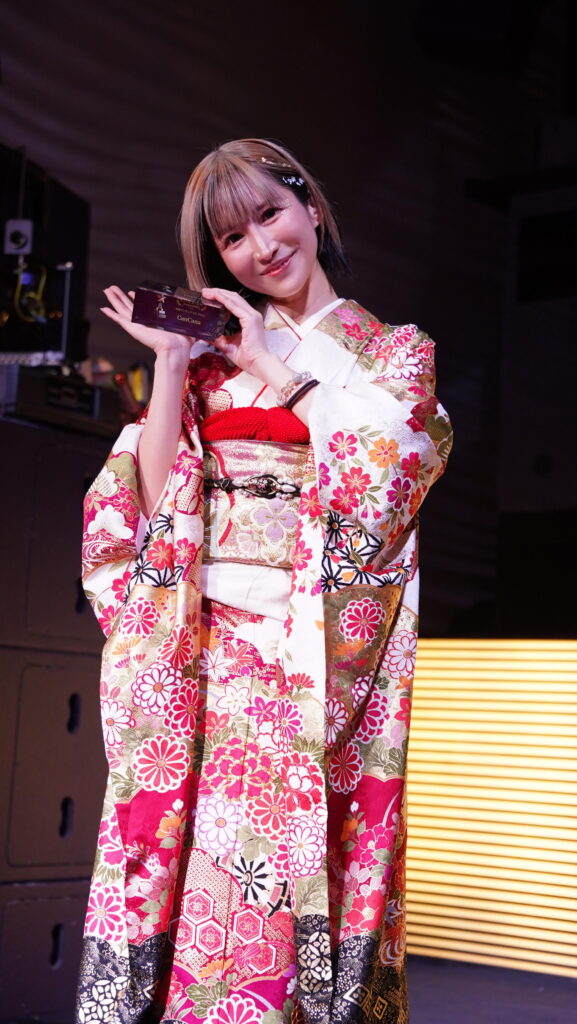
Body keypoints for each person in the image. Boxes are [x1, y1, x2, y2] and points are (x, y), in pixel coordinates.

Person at [76, 138, 452, 1024]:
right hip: (203, 651)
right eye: (232, 238)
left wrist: (269, 369)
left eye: (270, 215)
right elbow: (148, 501)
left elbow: (386, 479)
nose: (260, 247)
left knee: (279, 871)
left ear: (310, 207)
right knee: (195, 865)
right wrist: (175, 363)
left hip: (312, 652)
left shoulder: (391, 351)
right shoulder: (205, 358)